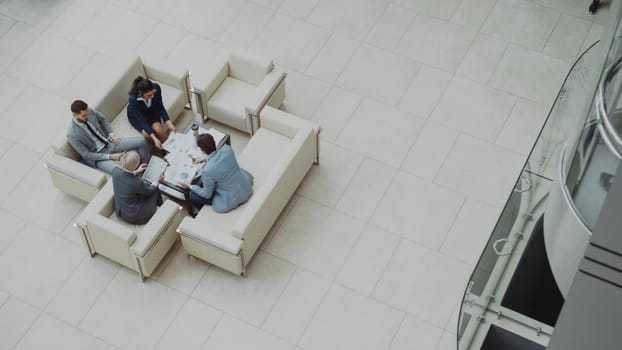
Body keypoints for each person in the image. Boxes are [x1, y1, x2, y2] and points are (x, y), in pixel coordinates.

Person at [67, 99, 151, 174]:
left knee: (142, 141)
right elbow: (86, 155)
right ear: (75, 115)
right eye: (84, 116)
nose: (87, 117)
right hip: (98, 157)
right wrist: (110, 157)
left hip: (109, 142)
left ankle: (147, 169)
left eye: (87, 114)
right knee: (119, 172)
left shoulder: (88, 111)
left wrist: (111, 134)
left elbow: (102, 119)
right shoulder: (72, 134)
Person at [181, 134, 253, 213]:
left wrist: (190, 186)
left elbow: (207, 195)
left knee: (192, 196)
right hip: (245, 187)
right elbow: (219, 159)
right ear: (214, 142)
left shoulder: (207, 171)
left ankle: (203, 211)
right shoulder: (227, 149)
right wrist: (205, 160)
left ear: (202, 150)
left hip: (231, 199)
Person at [111, 151, 163, 225]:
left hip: (120, 212)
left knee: (145, 189)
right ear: (137, 164)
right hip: (136, 216)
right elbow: (149, 191)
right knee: (154, 189)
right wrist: (157, 180)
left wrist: (137, 171)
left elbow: (126, 176)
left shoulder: (115, 171)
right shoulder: (136, 182)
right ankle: (162, 209)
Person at [127, 76, 176, 149]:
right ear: (141, 93)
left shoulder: (156, 88)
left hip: (152, 110)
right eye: (149, 95)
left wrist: (169, 123)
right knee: (147, 135)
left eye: (153, 93)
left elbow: (160, 106)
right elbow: (141, 120)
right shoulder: (133, 100)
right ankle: (162, 149)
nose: (152, 96)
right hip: (137, 115)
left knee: (158, 129)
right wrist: (154, 138)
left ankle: (170, 148)